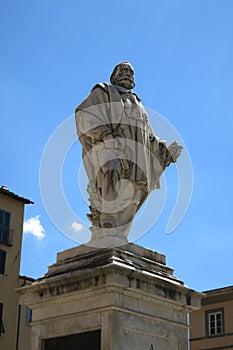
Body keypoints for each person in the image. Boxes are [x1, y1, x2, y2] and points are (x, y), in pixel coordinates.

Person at [75, 62, 182, 240]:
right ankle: (108, 219)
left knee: (132, 191)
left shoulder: (138, 104)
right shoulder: (103, 92)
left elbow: (149, 137)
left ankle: (118, 229)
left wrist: (165, 152)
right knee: (111, 166)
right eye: (123, 71)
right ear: (114, 75)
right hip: (109, 146)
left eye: (131, 72)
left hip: (135, 157)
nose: (128, 74)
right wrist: (105, 134)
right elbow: (85, 113)